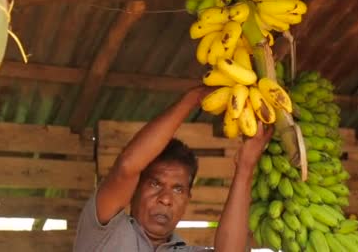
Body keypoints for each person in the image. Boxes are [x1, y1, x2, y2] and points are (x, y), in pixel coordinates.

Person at [73, 86, 273, 251]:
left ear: (187, 199)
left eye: (178, 189)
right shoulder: (104, 231)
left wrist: (245, 168)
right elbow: (126, 166)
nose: (166, 199)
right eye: (155, 183)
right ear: (134, 190)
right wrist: (192, 100)